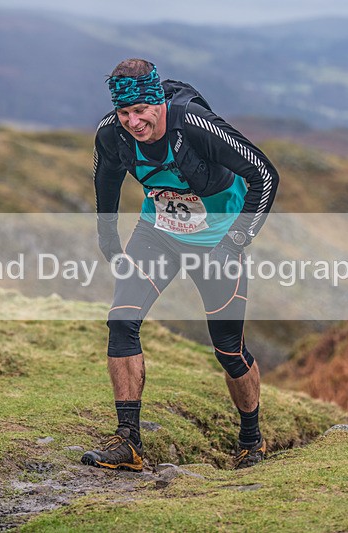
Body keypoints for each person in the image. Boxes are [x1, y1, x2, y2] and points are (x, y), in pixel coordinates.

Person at [82, 58, 279, 471]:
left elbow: (264, 173)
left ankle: (251, 440)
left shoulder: (194, 125)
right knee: (121, 322)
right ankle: (128, 442)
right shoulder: (111, 134)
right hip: (159, 234)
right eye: (124, 113)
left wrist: (235, 243)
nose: (133, 122)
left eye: (141, 112)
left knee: (228, 349)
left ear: (158, 104)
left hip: (217, 242)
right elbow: (106, 180)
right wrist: (108, 238)